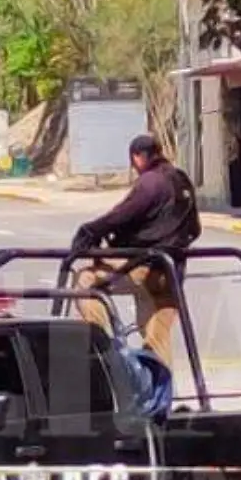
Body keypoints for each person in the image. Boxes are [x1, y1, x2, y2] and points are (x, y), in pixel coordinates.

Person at [70, 134, 200, 367]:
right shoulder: (181, 180)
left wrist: (91, 231)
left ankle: (102, 353)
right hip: (171, 273)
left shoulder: (150, 183)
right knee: (157, 339)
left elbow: (121, 215)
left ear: (138, 158)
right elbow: (195, 229)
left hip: (145, 267)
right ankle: (161, 397)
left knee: (85, 280)